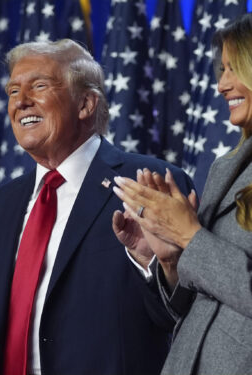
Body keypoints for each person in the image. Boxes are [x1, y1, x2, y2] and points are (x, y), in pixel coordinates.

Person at [0, 38, 194, 375]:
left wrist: (158, 263)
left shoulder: (148, 184)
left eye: (39, 86)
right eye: (12, 91)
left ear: (85, 104)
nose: (21, 102)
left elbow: (185, 317)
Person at [112, 13, 252, 375]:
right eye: (221, 70)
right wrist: (170, 259)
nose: (222, 85)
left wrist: (191, 235)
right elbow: (196, 307)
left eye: (233, 68)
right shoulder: (227, 167)